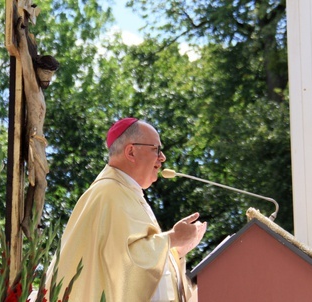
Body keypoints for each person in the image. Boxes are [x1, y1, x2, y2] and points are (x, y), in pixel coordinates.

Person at [43, 118, 207, 301]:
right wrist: (172, 238)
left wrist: (175, 251)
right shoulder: (108, 194)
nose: (162, 158)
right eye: (157, 150)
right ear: (131, 151)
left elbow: (139, 259)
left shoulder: (128, 193)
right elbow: (122, 262)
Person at [16, 16, 59, 238]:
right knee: (41, 183)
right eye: (46, 73)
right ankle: (32, 224)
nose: (49, 79)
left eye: (51, 75)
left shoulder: (40, 92)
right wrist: (22, 36)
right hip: (33, 139)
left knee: (37, 184)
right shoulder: (33, 87)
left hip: (39, 141)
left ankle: (28, 220)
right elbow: (24, 60)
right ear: (39, 70)